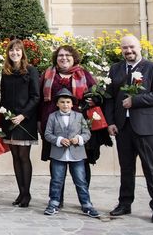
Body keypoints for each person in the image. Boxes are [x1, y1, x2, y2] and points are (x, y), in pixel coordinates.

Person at [105, 35, 153, 223]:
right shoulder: (115, 69)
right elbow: (109, 97)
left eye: (131, 47)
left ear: (139, 47)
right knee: (126, 168)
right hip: (122, 127)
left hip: (147, 127)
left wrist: (135, 100)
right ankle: (125, 203)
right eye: (125, 48)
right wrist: (110, 122)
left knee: (151, 168)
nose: (128, 51)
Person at [40, 45, 98, 202]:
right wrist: (40, 121)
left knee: (81, 163)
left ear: (74, 58)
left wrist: (94, 99)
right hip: (53, 124)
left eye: (67, 55)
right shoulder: (48, 74)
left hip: (79, 125)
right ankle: (58, 199)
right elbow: (39, 97)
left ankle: (84, 199)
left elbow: (96, 94)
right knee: (57, 163)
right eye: (60, 55)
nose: (63, 58)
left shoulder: (83, 74)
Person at [43, 88, 99, 218]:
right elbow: (47, 134)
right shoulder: (52, 116)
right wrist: (59, 140)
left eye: (68, 102)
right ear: (57, 104)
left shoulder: (79, 116)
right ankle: (54, 203)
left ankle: (87, 205)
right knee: (57, 180)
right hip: (58, 154)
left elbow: (87, 133)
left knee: (80, 180)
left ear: (72, 104)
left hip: (77, 154)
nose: (65, 104)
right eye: (62, 102)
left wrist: (78, 139)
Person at [0, 39, 40, 207]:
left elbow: (35, 96)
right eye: (11, 50)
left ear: (22, 53)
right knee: (15, 157)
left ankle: (27, 194)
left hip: (25, 120)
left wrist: (23, 115)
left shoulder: (31, 71)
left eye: (17, 50)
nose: (14, 53)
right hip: (9, 119)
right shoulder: (5, 72)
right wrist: (2, 118)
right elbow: (3, 97)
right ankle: (20, 192)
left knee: (24, 156)